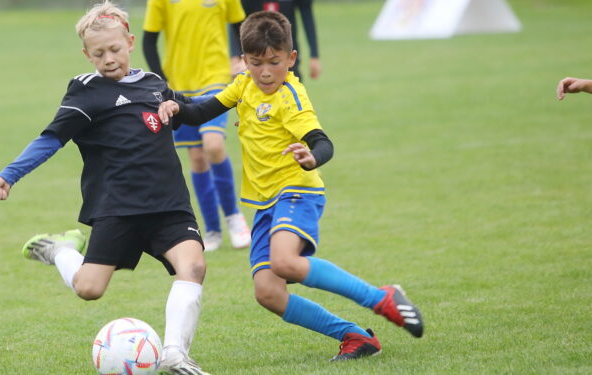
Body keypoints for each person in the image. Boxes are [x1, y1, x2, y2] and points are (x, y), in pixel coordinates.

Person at [158, 11, 424, 361]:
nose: (265, 72)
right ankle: (355, 336)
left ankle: (381, 298)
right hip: (266, 203)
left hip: (298, 190)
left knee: (284, 262)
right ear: (243, 61)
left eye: (274, 62)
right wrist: (171, 100)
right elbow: (196, 113)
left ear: (291, 58)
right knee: (267, 292)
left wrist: (312, 157)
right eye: (255, 62)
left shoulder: (291, 95)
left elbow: (323, 142)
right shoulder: (242, 85)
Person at [0, 2, 211, 374]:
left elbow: (196, 110)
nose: (108, 59)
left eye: (115, 49)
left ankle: (174, 354)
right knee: (89, 289)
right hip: (118, 208)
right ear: (86, 54)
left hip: (169, 205)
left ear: (130, 42)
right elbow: (50, 140)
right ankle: (59, 249)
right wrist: (8, 175)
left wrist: (241, 91)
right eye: (99, 53)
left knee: (194, 265)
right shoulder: (85, 93)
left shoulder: (155, 84)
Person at [142, 0, 252, 252]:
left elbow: (240, 26)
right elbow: (149, 40)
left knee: (213, 146)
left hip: (216, 79)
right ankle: (212, 229)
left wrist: (243, 58)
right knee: (197, 157)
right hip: (179, 87)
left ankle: (235, 218)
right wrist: (161, 79)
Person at [231, 0, 322, 81]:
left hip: (286, 56)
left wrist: (314, 56)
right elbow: (235, 23)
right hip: (255, 57)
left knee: (291, 93)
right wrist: (235, 57)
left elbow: (307, 15)